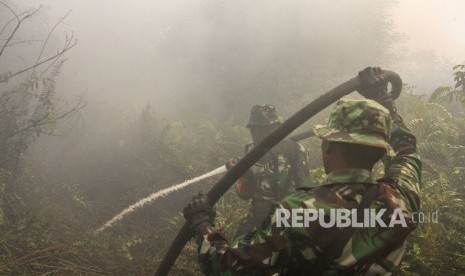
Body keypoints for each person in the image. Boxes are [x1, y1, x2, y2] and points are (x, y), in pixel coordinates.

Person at [183, 67, 421, 275]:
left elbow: (227, 266)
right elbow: (407, 149)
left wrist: (202, 224)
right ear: (382, 152)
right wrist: (384, 99)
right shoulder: (402, 199)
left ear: (327, 147)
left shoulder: (299, 211)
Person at [226, 104, 313, 236]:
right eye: (255, 130)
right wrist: (243, 175)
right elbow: (244, 195)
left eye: (265, 128)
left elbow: (306, 192)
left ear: (277, 127)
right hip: (259, 223)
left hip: (288, 223)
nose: (259, 134)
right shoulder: (249, 155)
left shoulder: (295, 151)